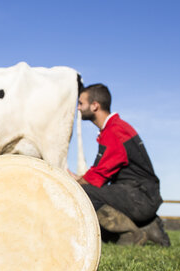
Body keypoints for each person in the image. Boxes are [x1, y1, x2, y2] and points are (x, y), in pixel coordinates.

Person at [69, 83, 170, 246]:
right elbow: (102, 171)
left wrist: (71, 183)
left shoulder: (114, 131)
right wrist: (80, 178)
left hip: (139, 197)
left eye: (81, 103)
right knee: (88, 189)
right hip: (140, 194)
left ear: (95, 106)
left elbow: (97, 177)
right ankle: (149, 226)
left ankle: (131, 234)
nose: (78, 108)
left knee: (83, 193)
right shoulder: (115, 128)